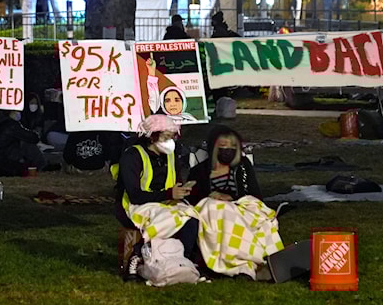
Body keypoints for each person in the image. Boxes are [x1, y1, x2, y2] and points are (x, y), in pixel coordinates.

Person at [186, 125, 282, 279]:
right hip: (213, 213)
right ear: (214, 148)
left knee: (247, 217)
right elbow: (192, 200)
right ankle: (241, 266)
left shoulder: (242, 166)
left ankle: (253, 263)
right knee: (214, 208)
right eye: (223, 146)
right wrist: (212, 197)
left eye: (233, 147)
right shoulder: (199, 172)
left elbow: (255, 195)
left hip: (240, 210)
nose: (228, 150)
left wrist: (231, 198)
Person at [114, 115, 197, 280]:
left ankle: (182, 260)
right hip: (136, 205)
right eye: (166, 137)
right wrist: (168, 194)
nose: (170, 142)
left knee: (192, 216)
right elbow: (135, 195)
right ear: (152, 137)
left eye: (172, 137)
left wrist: (181, 190)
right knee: (167, 217)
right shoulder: (132, 156)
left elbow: (175, 181)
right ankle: (137, 254)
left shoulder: (171, 156)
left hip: (165, 203)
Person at [0, 109, 48, 176]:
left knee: (24, 142)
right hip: (0, 160)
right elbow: (33, 138)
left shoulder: (0, 123)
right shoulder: (11, 125)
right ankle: (42, 165)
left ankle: (41, 165)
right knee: (27, 143)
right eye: (16, 111)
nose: (18, 113)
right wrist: (36, 132)